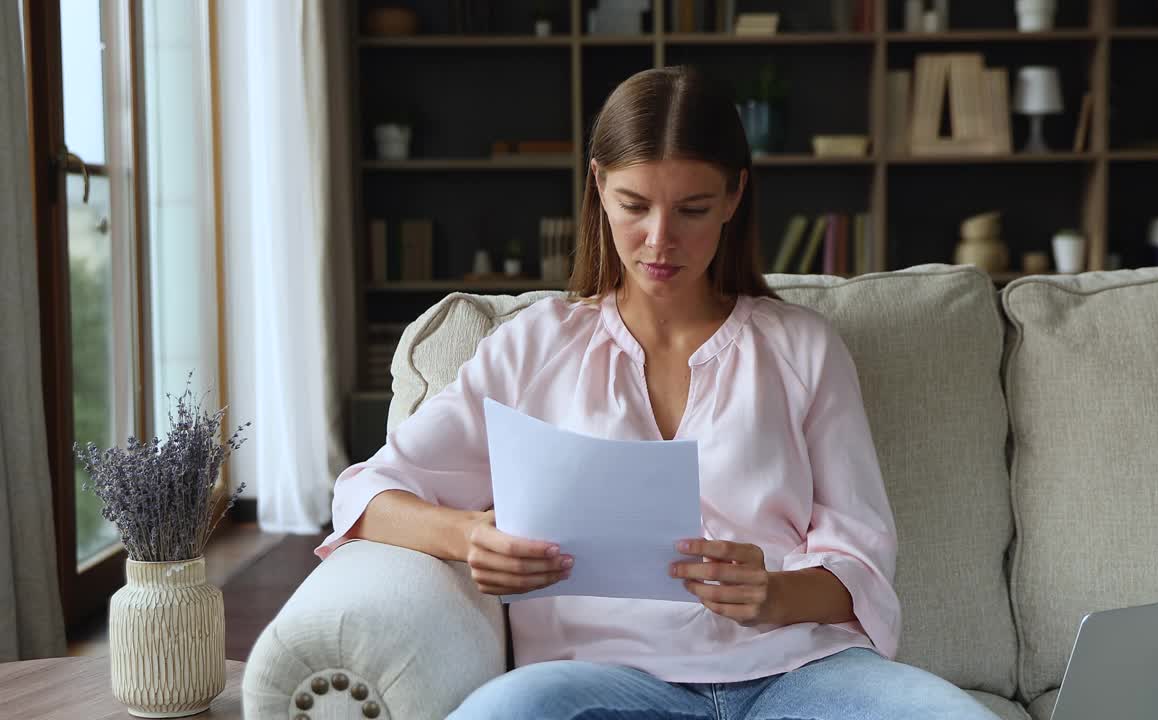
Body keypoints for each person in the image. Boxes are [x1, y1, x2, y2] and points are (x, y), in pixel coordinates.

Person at [315, 66, 999, 720]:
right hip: (603, 675)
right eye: (634, 206)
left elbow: (861, 561)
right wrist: (469, 535)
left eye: (693, 209)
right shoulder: (535, 348)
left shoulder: (802, 349)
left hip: (799, 672)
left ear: (734, 196)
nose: (660, 240)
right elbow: (364, 494)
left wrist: (773, 594)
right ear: (598, 188)